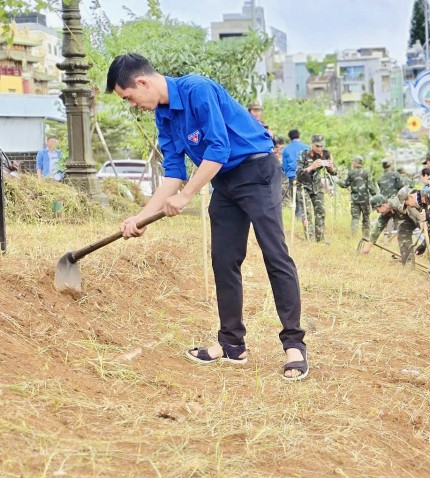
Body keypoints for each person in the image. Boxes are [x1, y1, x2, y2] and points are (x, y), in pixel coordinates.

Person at [106, 53, 309, 381]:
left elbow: (218, 149)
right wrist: (140, 218)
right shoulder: (163, 117)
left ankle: (294, 345)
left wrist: (186, 195)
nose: (133, 105)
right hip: (224, 180)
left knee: (275, 254)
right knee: (223, 259)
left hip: (257, 170)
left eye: (129, 97)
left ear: (142, 82)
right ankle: (232, 344)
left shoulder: (197, 89)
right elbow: (173, 172)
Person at [363, 189, 424, 265]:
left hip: (422, 216)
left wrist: (421, 222)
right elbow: (378, 227)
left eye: (377, 210)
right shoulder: (386, 212)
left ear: (383, 205)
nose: (378, 212)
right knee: (402, 231)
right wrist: (368, 246)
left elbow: (412, 210)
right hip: (410, 222)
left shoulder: (396, 203)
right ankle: (408, 262)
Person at [340, 156, 373, 238]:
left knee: (355, 218)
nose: (352, 163)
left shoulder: (351, 173)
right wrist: (375, 195)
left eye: (353, 161)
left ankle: (353, 236)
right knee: (366, 219)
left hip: (355, 200)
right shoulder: (366, 172)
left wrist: (338, 181)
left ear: (355, 162)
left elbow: (345, 185)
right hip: (365, 199)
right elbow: (371, 187)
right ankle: (366, 237)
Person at [281, 130, 308, 230]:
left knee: (296, 198)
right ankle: (306, 218)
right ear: (299, 136)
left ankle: (298, 217)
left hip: (292, 176)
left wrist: (288, 174)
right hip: (305, 175)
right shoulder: (306, 147)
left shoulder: (286, 149)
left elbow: (284, 166)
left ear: (290, 137)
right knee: (306, 198)